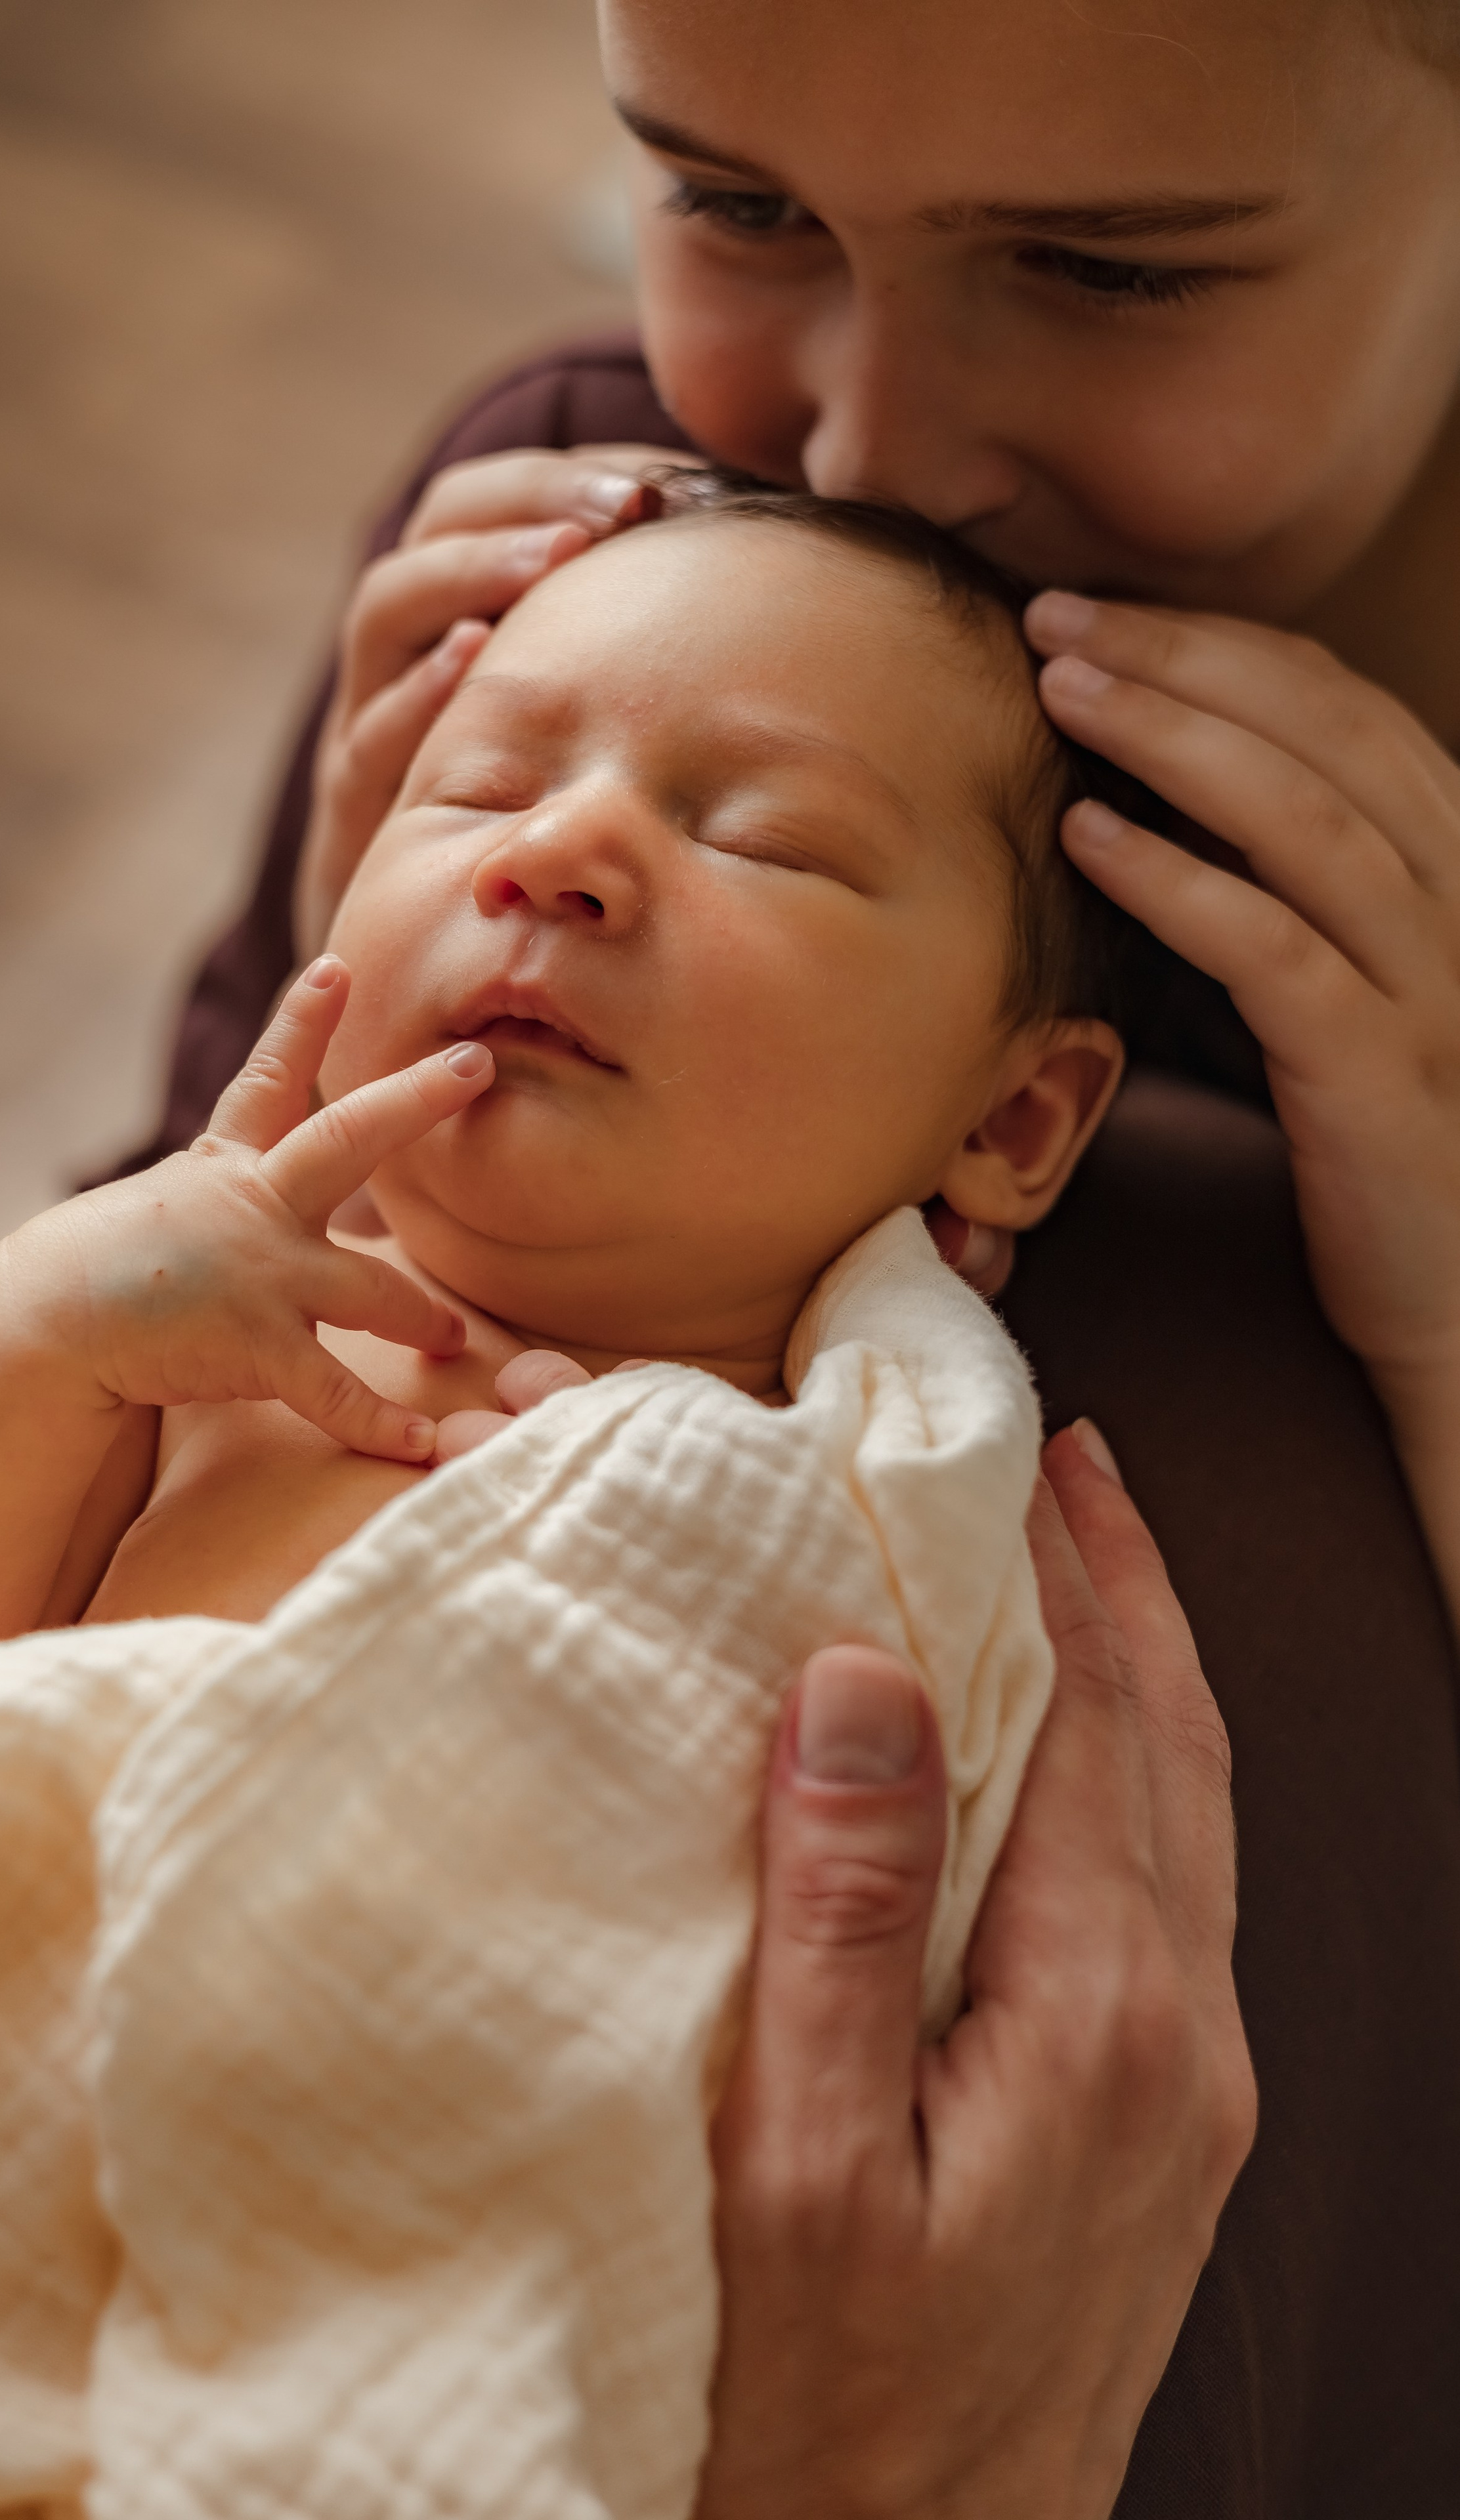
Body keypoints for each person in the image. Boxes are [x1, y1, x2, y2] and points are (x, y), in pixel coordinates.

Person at [112, 1, 1460, 2512]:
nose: (858, 449)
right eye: (736, 206)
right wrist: (310, 1089)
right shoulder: (576, 532)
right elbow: (105, 1344)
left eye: (1104, 266)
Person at [0, 490, 1237, 2520]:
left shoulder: (877, 1502)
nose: (559, 856)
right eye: (477, 789)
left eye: (764, 836)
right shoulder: (168, 1351)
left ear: (1007, 1120)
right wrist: (27, 1339)